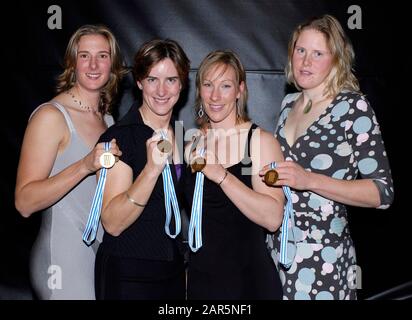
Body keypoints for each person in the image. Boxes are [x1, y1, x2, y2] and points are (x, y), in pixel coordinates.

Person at [262, 15, 394, 300]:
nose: (305, 62)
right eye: (301, 51)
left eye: (318, 53)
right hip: (279, 251)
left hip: (325, 258)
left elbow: (382, 192)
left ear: (336, 59)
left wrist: (309, 180)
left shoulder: (353, 107)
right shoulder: (288, 105)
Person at [15, 25, 126, 299]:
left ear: (112, 64)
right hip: (62, 257)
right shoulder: (51, 117)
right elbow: (24, 203)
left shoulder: (108, 120)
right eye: (84, 55)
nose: (93, 64)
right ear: (72, 62)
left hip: (100, 256)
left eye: (102, 55)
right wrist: (84, 166)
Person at [184, 50, 284, 299]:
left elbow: (273, 218)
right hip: (202, 284)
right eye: (208, 85)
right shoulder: (192, 144)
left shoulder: (259, 142)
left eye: (225, 86)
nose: (215, 96)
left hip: (248, 284)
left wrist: (222, 177)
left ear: (240, 90)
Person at [94, 39, 190, 300]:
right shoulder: (119, 138)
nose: (161, 90)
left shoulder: (182, 138)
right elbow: (112, 223)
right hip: (128, 273)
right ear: (138, 82)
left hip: (170, 272)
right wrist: (150, 170)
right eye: (151, 79)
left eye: (170, 79)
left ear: (182, 83)